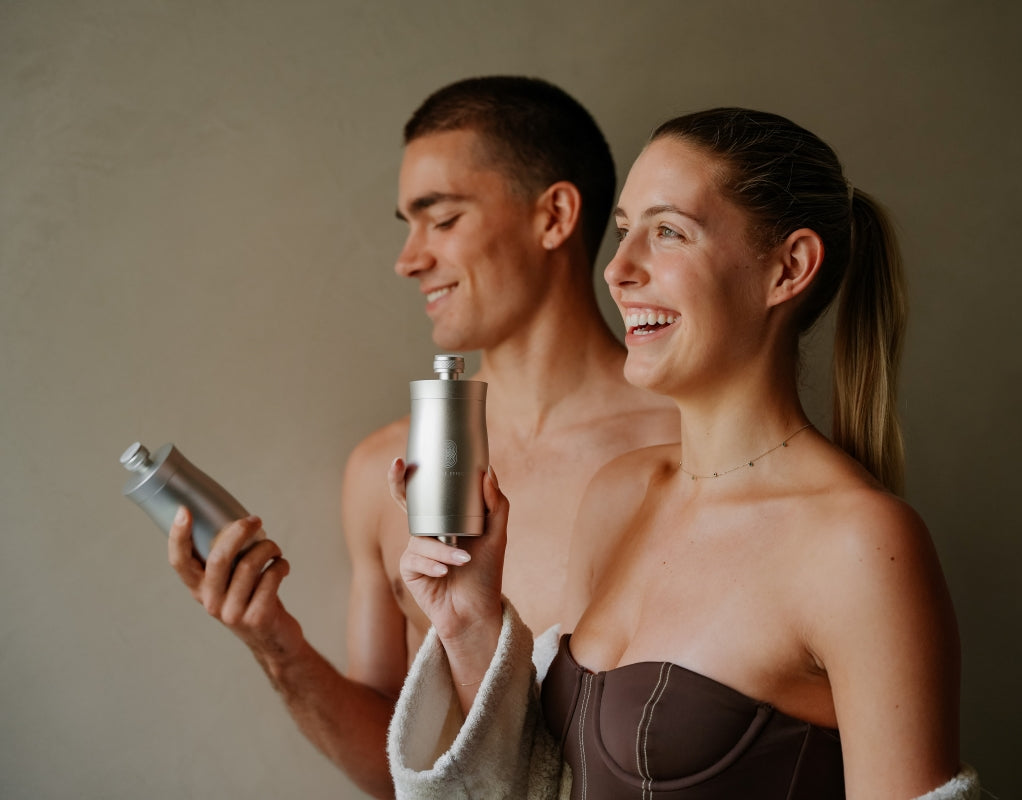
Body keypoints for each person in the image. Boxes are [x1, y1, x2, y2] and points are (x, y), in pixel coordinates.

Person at [387, 108, 979, 799]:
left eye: (668, 232)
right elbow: (548, 785)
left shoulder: (860, 543)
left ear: (789, 267)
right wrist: (468, 623)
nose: (618, 270)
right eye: (623, 231)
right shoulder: (619, 492)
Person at [166, 76, 678, 799]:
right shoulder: (386, 472)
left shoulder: (692, 448)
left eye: (440, 220)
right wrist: (276, 645)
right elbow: (402, 771)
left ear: (555, 215)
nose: (408, 259)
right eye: (407, 225)